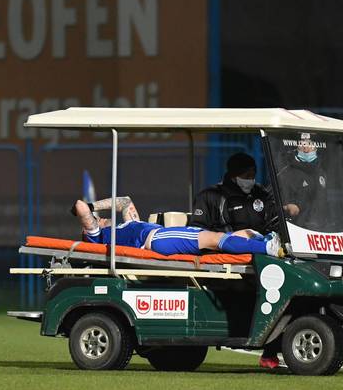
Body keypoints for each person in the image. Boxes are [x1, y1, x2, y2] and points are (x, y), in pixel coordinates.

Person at [190, 152, 281, 368]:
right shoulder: (212, 195)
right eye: (246, 174)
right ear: (233, 174)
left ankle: (270, 350)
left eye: (253, 173)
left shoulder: (261, 194)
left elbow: (274, 222)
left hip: (261, 253)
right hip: (226, 257)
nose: (251, 178)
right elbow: (197, 231)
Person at [71, 197, 283, 257]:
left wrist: (94, 206)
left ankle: (264, 241)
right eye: (97, 218)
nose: (101, 218)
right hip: (157, 238)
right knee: (215, 239)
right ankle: (267, 248)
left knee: (239, 234)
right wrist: (90, 209)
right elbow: (80, 207)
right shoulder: (98, 236)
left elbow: (125, 201)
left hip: (159, 237)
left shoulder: (126, 224)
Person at [191, 152, 276, 234]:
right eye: (247, 176)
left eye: (253, 176)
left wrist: (286, 209)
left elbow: (274, 213)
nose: (251, 180)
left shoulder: (260, 192)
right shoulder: (210, 196)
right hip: (226, 246)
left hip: (262, 245)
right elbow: (198, 231)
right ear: (234, 176)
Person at [277, 133, 328, 230]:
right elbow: (279, 206)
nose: (306, 148)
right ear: (296, 147)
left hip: (320, 232)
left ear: (316, 147)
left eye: (310, 144)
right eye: (302, 144)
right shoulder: (286, 174)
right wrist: (288, 207)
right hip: (297, 230)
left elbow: (323, 204)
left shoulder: (321, 173)